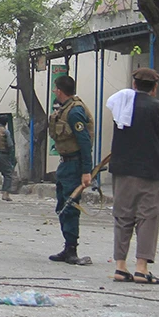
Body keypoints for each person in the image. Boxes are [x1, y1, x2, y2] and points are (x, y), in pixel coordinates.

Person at [108, 67, 159, 285]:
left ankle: (120, 266)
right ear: (154, 88)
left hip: (122, 169)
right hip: (150, 171)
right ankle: (141, 268)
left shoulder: (120, 105)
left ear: (134, 85)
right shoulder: (158, 107)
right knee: (147, 217)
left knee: (123, 216)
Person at [48, 74, 94, 265]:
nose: (54, 92)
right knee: (62, 205)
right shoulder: (65, 109)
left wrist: (86, 171)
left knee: (70, 206)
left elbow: (84, 142)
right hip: (66, 163)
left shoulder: (74, 112)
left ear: (59, 90)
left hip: (74, 164)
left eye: (55, 89)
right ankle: (68, 246)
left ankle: (72, 249)